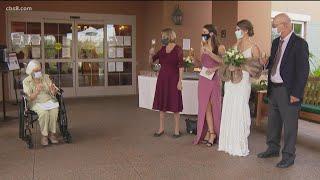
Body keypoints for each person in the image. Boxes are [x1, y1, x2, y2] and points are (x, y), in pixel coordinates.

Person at [258, 13, 309, 168]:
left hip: (289, 91)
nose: (275, 28)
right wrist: (265, 63)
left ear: (286, 25)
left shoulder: (299, 43)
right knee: (273, 122)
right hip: (274, 88)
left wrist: (296, 94)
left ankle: (288, 156)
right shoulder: (275, 42)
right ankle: (273, 148)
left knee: (290, 125)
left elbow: (303, 71)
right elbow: (274, 63)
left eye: (276, 25)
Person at [218, 19, 264, 156]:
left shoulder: (254, 47)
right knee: (229, 107)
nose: (236, 31)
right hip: (231, 82)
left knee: (240, 107)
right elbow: (226, 60)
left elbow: (257, 69)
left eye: (238, 29)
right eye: (236, 29)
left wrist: (240, 65)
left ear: (246, 31)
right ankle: (227, 142)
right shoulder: (235, 45)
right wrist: (236, 44)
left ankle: (239, 143)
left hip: (243, 81)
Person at [149, 28, 184, 138]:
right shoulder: (162, 49)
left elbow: (181, 66)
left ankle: (177, 130)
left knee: (175, 105)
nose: (162, 39)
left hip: (174, 80)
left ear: (169, 36)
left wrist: (180, 81)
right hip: (162, 80)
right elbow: (151, 63)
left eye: (163, 36)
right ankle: (161, 128)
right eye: (162, 37)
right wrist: (150, 54)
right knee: (161, 105)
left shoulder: (178, 49)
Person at [193, 24, 224, 147]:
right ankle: (211, 132)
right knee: (205, 107)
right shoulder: (202, 46)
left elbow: (224, 63)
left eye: (205, 32)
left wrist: (213, 66)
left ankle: (213, 133)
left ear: (211, 34)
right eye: (202, 32)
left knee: (213, 106)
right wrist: (194, 59)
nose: (203, 35)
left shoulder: (220, 47)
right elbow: (202, 63)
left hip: (214, 79)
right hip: (203, 79)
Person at [23, 60, 60, 146]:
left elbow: (53, 93)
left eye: (40, 70)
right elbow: (29, 98)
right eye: (36, 71)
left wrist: (53, 90)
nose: (38, 72)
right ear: (30, 71)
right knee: (44, 113)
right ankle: (44, 136)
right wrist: (36, 91)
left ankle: (52, 134)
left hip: (48, 100)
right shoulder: (26, 81)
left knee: (54, 110)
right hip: (35, 102)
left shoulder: (46, 77)